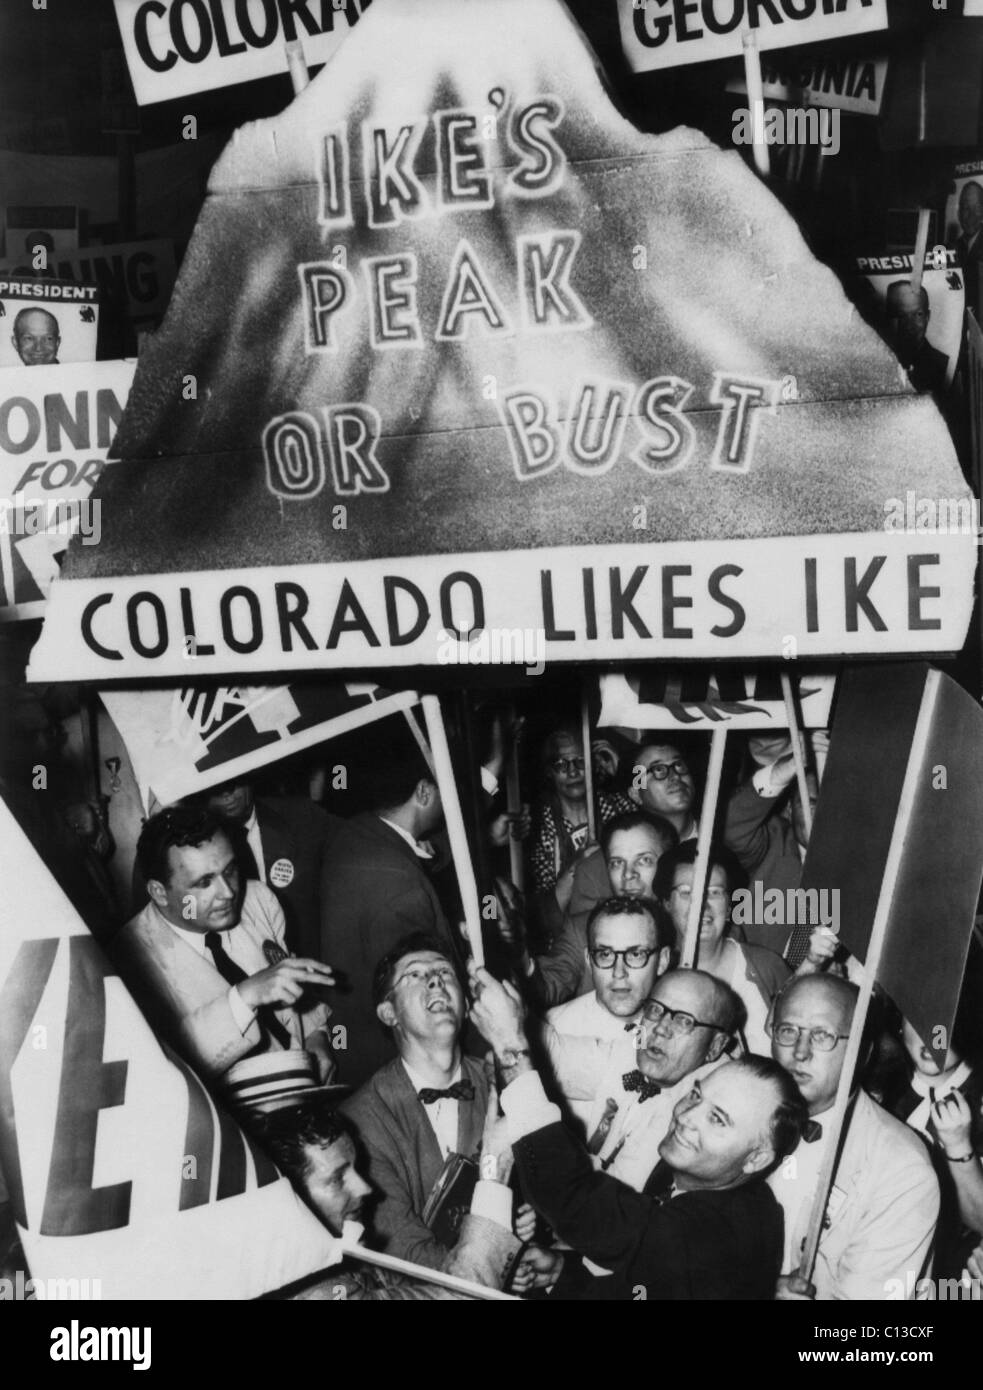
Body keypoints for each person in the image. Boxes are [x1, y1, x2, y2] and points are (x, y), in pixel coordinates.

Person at [470, 965, 805, 1300]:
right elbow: (640, 1285)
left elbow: (575, 1199)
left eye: (717, 1119)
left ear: (758, 1157)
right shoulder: (752, 1204)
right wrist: (563, 1272)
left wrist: (508, 1042)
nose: (688, 1117)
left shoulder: (702, 1231)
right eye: (696, 1096)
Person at [340, 933, 544, 1274]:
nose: (435, 979)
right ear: (389, 1012)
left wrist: (528, 1218)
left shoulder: (508, 1081)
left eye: (445, 973)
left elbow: (548, 1182)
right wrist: (501, 1264)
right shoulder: (360, 1121)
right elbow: (405, 1255)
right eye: (415, 975)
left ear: (466, 1005)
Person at [114, 806, 336, 1082]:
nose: (228, 893)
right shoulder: (126, 959)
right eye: (204, 882)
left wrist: (318, 1038)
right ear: (159, 892)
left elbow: (298, 994)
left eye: (229, 870)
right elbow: (164, 1069)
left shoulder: (258, 899)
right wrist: (245, 996)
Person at [769, 976, 940, 1300]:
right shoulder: (745, 1111)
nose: (800, 1052)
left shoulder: (901, 1169)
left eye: (823, 1036)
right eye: (788, 1030)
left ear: (863, 1053)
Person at [257, 1095, 521, 1300]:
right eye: (337, 1179)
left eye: (356, 1168)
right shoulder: (316, 1291)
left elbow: (428, 1292)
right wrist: (493, 1178)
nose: (364, 1188)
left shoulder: (336, 1258)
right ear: (289, 1199)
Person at [318, 746, 458, 1088]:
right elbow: (417, 1006)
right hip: (395, 1069)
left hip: (348, 1044)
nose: (452, 801)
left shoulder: (355, 834)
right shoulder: (401, 887)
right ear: (424, 792)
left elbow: (421, 849)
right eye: (448, 791)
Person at [543, 962, 743, 1193]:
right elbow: (559, 1059)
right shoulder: (637, 1046)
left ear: (715, 1046)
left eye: (684, 1021)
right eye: (656, 1010)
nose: (660, 1029)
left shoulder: (701, 1107)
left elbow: (618, 1194)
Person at [655, 841, 835, 1054]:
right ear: (666, 902)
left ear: (730, 902)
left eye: (714, 892)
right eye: (687, 893)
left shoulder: (767, 966)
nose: (702, 905)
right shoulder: (654, 973)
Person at [496, 810, 677, 1006]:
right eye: (617, 863)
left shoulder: (687, 927)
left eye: (644, 860)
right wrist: (519, 953)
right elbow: (546, 989)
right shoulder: (582, 930)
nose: (628, 874)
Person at [544, 897, 673, 1134]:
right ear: (588, 960)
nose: (619, 972)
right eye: (605, 954)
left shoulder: (679, 1037)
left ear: (663, 960)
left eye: (635, 954)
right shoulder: (551, 1031)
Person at [885, 1013, 983, 1277]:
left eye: (948, 1023)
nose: (934, 1038)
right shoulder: (879, 1086)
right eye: (920, 1020)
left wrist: (959, 1147)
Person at [202, 777, 337, 959]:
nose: (227, 794)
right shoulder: (192, 848)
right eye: (215, 788)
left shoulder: (302, 817)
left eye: (232, 783)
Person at [527, 727, 633, 910]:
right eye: (561, 764)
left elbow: (650, 804)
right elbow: (547, 908)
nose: (573, 772)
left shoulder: (620, 805)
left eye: (580, 761)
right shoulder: (538, 825)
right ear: (549, 772)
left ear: (595, 764)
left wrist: (625, 769)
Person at [884, 281, 949, 395]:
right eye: (900, 315)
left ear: (927, 317)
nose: (909, 325)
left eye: (918, 314)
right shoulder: (878, 364)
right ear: (888, 318)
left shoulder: (942, 365)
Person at [955, 179, 983, 316]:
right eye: (966, 208)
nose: (971, 215)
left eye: (976, 208)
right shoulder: (945, 249)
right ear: (958, 213)